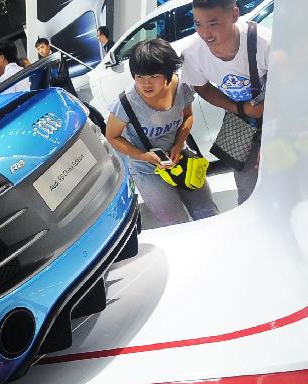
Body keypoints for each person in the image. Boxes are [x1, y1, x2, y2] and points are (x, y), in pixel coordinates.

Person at [106, 39, 219, 227]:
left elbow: (188, 116)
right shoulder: (126, 103)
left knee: (207, 212)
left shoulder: (182, 86)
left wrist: (177, 144)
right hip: (147, 169)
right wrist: (144, 156)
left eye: (153, 76)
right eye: (139, 76)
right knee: (175, 222)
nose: (145, 84)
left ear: (169, 72)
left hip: (181, 159)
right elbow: (112, 136)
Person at [180, 0, 270, 204]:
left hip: (279, 119)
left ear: (235, 14)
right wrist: (239, 108)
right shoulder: (193, 52)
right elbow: (202, 88)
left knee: (282, 176)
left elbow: (288, 91)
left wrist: (272, 138)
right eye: (198, 24)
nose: (205, 33)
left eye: (213, 24)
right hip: (241, 122)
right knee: (247, 188)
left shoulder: (264, 42)